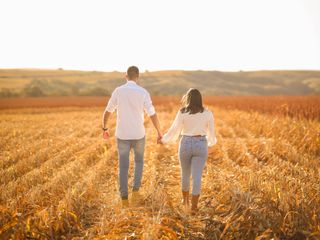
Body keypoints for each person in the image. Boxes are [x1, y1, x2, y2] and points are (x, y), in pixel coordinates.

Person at [102, 66, 162, 205]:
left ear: (126, 76)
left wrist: (105, 128)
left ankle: (124, 199)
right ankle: (135, 192)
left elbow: (108, 111)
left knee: (123, 166)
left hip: (122, 134)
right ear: (138, 76)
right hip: (138, 134)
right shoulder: (143, 92)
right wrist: (159, 132)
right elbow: (152, 114)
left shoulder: (118, 91)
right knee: (139, 162)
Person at [160, 88, 217, 214]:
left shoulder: (182, 112)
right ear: (200, 99)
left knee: (185, 174)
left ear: (188, 98)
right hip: (201, 143)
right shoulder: (208, 113)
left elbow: (174, 129)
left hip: (185, 143)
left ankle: (185, 202)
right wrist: (211, 142)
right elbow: (211, 133)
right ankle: (194, 207)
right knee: (197, 177)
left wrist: (164, 139)